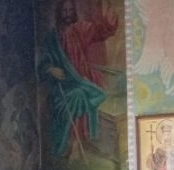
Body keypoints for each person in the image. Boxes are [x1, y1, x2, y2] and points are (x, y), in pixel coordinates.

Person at [40, 0, 119, 158]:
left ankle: (77, 142)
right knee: (77, 96)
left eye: (70, 10)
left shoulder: (80, 30)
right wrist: (51, 69)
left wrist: (109, 22)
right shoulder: (51, 38)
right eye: (65, 11)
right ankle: (69, 144)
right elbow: (42, 64)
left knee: (80, 94)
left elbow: (98, 31)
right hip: (61, 85)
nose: (68, 14)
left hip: (79, 80)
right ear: (59, 13)